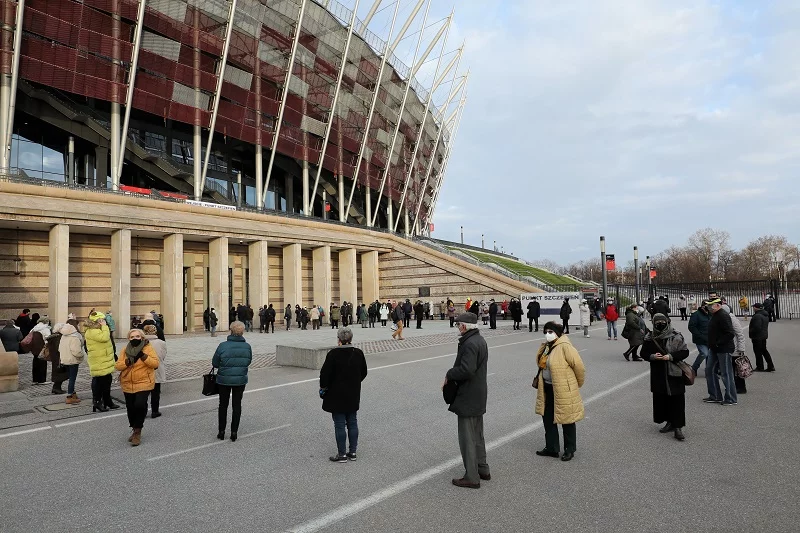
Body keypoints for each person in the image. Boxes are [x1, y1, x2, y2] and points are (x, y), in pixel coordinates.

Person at [443, 312, 489, 488]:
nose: (457, 328)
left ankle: (472, 476)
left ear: (463, 326)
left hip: (468, 394)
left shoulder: (469, 343)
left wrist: (449, 373)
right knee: (478, 434)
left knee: (467, 438)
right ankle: (482, 468)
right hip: (478, 393)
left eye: (458, 325)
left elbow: (466, 370)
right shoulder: (479, 340)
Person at [533, 321, 585, 461]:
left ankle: (569, 449)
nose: (547, 334)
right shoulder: (546, 347)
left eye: (550, 332)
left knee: (567, 419)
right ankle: (552, 448)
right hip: (547, 387)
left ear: (558, 333)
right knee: (548, 418)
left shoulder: (565, 347)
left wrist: (576, 384)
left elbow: (579, 367)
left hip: (563, 388)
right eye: (546, 331)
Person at [319, 327, 368, 462]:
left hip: (336, 394)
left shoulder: (333, 354)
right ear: (351, 338)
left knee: (340, 424)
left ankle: (342, 455)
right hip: (353, 393)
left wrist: (324, 388)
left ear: (339, 340)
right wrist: (355, 382)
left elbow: (324, 375)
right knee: (352, 422)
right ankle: (352, 452)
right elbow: (363, 372)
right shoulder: (358, 353)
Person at [639, 314, 689, 441]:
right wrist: (652, 356)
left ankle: (678, 427)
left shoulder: (676, 335)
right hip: (658, 373)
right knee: (662, 398)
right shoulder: (649, 337)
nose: (660, 324)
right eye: (657, 322)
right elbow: (643, 353)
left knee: (676, 399)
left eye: (662, 321)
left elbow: (685, 352)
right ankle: (669, 422)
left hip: (674, 373)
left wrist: (670, 356)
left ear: (667, 322)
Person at [115, 328, 159, 446]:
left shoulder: (148, 348)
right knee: (130, 407)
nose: (135, 339)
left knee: (139, 404)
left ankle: (138, 431)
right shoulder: (125, 350)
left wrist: (143, 356)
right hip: (128, 382)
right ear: (129, 339)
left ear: (142, 337)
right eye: (132, 337)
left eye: (137, 337)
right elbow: (118, 366)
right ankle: (134, 428)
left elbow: (155, 364)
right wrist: (127, 362)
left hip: (144, 381)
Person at [213, 321, 253, 442]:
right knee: (237, 405)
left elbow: (215, 363)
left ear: (230, 330)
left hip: (223, 379)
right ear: (242, 332)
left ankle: (221, 431)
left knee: (223, 405)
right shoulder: (247, 346)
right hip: (240, 380)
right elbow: (248, 361)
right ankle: (234, 432)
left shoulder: (222, 345)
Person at [704, 298, 737, 406]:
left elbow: (730, 333)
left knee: (726, 373)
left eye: (711, 305)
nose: (709, 307)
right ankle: (715, 395)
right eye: (708, 305)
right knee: (709, 370)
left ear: (718, 305)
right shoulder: (715, 315)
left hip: (724, 348)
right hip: (714, 348)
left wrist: (718, 343)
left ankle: (731, 398)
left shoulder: (723, 315)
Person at [84, 312, 119, 413]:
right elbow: (104, 338)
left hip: (104, 358)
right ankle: (97, 401)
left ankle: (107, 400)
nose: (104, 322)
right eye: (102, 320)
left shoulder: (98, 329)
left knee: (107, 380)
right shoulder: (92, 331)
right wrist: (104, 327)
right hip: (99, 360)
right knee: (99, 381)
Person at [142, 324, 166, 418]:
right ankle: (155, 411)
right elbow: (163, 356)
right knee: (156, 391)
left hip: (144, 369)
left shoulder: (142, 342)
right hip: (157, 368)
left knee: (144, 392)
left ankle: (143, 411)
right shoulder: (161, 343)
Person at [57, 323, 84, 404]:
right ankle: (69, 396)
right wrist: (82, 355)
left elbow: (59, 349)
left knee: (70, 377)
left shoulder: (63, 337)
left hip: (65, 360)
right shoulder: (74, 338)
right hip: (73, 361)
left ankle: (73, 393)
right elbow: (77, 352)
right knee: (72, 378)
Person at [749, 302, 775, 372]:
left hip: (757, 337)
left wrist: (751, 332)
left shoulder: (757, 316)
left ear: (756, 308)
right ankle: (770, 365)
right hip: (763, 335)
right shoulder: (765, 315)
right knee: (764, 350)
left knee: (758, 352)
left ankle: (760, 366)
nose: (753, 308)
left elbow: (757, 327)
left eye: (754, 307)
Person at [688, 300, 711, 376]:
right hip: (700, 339)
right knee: (704, 353)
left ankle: (709, 370)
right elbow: (691, 326)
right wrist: (699, 335)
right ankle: (694, 368)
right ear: (703, 306)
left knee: (710, 355)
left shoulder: (711, 314)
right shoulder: (696, 315)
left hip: (710, 339)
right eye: (707, 305)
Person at [45, 322, 68, 394]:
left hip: (55, 357)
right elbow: (59, 348)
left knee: (58, 372)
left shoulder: (53, 337)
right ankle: (56, 388)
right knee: (60, 372)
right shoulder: (58, 337)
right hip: (58, 357)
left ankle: (56, 387)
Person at [729, 311, 749, 394]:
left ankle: (741, 387)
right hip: (731, 349)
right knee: (732, 369)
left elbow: (740, 335)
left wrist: (741, 349)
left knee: (738, 370)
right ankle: (734, 386)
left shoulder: (733, 320)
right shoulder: (726, 319)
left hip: (736, 350)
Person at [29, 317, 52, 384]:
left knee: (35, 363)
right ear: (46, 322)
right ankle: (42, 380)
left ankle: (35, 379)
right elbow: (48, 338)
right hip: (42, 347)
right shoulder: (45, 329)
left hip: (34, 348)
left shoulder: (34, 328)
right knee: (42, 363)